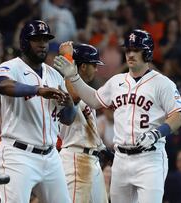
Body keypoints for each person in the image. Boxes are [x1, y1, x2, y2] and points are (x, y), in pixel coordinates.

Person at [54, 29, 181, 203]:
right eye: (128, 50)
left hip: (149, 159)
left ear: (147, 52)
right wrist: (73, 77)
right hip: (121, 160)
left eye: (136, 50)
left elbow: (180, 115)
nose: (130, 54)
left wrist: (157, 133)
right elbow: (94, 100)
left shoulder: (162, 83)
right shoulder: (116, 81)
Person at [0, 20, 76, 203]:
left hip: (51, 156)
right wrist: (37, 90)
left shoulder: (54, 75)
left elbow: (68, 120)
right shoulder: (11, 66)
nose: (42, 44)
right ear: (24, 43)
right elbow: (1, 85)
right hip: (18, 155)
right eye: (36, 39)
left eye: (45, 40)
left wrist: (70, 105)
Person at [58, 43, 108, 203]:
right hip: (75, 158)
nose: (97, 69)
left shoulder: (84, 89)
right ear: (84, 66)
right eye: (94, 65)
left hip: (92, 158)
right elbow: (73, 96)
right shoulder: (62, 83)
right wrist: (67, 58)